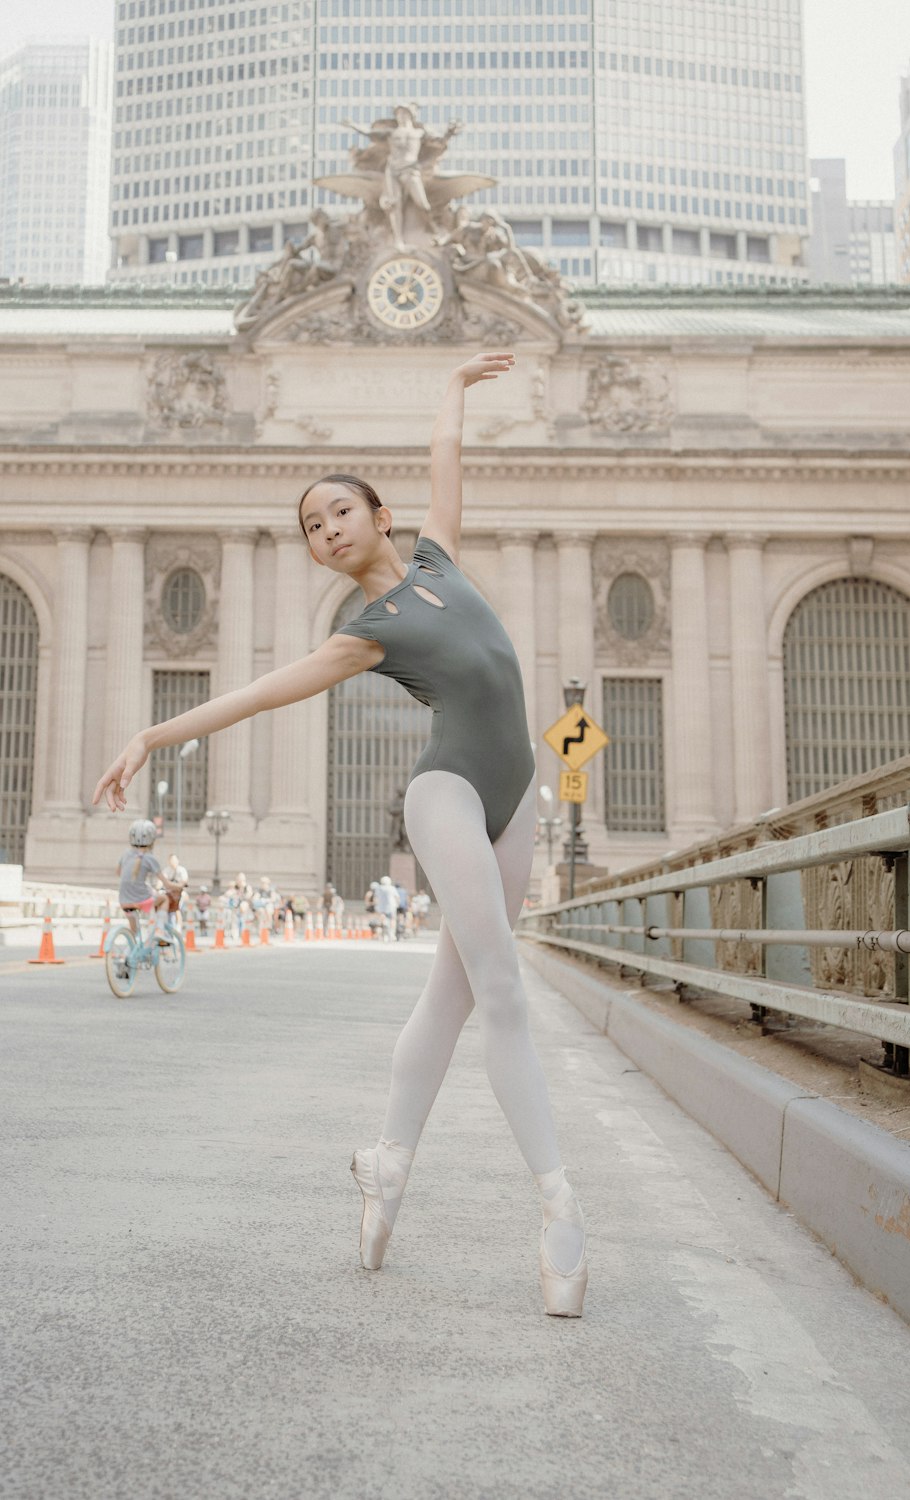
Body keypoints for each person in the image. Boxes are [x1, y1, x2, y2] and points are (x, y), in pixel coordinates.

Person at [91, 351, 587, 1318]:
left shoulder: (439, 556)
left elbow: (446, 462)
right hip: (446, 795)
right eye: (314, 529)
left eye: (339, 513)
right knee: (501, 994)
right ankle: (560, 1208)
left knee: (448, 1004)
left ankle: (385, 1165)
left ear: (380, 515)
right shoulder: (366, 632)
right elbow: (252, 695)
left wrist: (449, 391)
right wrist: (152, 732)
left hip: (519, 792)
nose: (327, 532)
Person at [116, 820, 182, 945]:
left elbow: (119, 873)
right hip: (141, 900)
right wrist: (179, 886)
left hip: (124, 900)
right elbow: (167, 884)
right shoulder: (149, 858)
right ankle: (159, 930)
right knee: (164, 899)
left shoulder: (125, 854)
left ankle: (128, 955)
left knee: (133, 933)